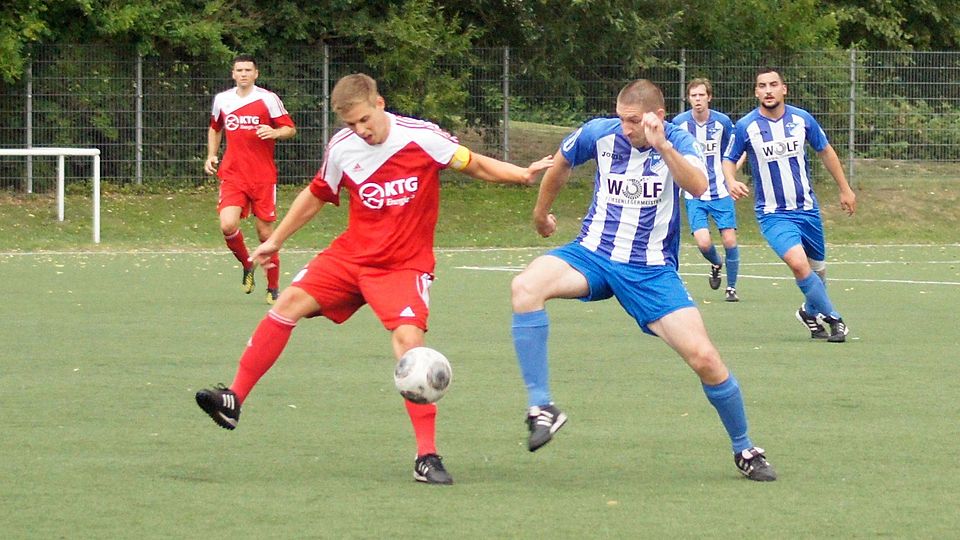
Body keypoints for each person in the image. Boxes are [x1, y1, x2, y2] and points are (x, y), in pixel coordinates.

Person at [195, 73, 553, 485]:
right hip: (351, 256)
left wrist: (522, 175)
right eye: (351, 125)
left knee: (409, 346)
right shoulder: (343, 149)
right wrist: (275, 240)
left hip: (403, 265)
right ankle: (234, 398)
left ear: (380, 103)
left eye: (365, 120)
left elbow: (475, 165)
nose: (360, 131)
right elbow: (315, 194)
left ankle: (427, 457)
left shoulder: (423, 138)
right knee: (287, 304)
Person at [510, 79, 777, 481]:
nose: (626, 128)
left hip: (650, 271)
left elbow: (700, 185)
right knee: (525, 287)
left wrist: (663, 147)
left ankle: (745, 448)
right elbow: (561, 163)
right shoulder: (600, 133)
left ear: (657, 117)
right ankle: (541, 406)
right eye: (622, 119)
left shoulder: (678, 140)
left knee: (705, 358)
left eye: (633, 121)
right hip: (593, 254)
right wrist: (540, 213)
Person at [722, 68, 856, 342]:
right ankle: (835, 319)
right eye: (762, 86)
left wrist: (845, 188)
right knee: (797, 263)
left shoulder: (801, 119)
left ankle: (809, 312)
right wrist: (730, 180)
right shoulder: (746, 126)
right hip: (773, 214)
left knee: (817, 272)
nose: (768, 90)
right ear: (756, 92)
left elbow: (825, 151)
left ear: (784, 89)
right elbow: (728, 158)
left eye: (773, 85)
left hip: (807, 209)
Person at [205, 54, 297, 304]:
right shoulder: (222, 100)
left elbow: (290, 128)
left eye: (248, 70)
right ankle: (247, 263)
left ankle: (273, 287)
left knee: (265, 234)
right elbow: (215, 128)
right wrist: (211, 155)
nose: (243, 74)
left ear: (256, 74)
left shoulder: (268, 99)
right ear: (233, 74)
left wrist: (275, 131)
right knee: (227, 225)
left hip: (262, 177)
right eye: (239, 70)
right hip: (233, 175)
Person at [672, 78, 741, 302]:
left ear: (709, 97)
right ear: (688, 99)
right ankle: (716, 262)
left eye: (702, 95)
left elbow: (738, 149)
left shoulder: (722, 122)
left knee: (730, 240)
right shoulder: (679, 124)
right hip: (695, 193)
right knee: (703, 242)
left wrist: (729, 177)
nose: (698, 100)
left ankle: (731, 288)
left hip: (721, 192)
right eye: (694, 96)